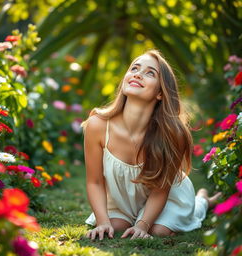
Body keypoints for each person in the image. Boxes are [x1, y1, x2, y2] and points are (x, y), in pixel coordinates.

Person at [82, 49, 221, 240]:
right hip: (122, 201)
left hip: (168, 197)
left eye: (150, 73)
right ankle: (127, 218)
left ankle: (202, 201)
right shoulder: (97, 125)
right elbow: (94, 182)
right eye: (134, 68)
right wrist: (102, 221)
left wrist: (142, 225)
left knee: (158, 231)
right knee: (116, 228)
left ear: (160, 94)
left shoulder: (173, 134)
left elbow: (160, 189)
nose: (138, 74)